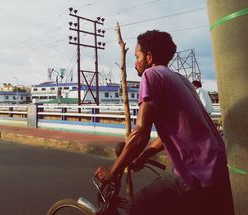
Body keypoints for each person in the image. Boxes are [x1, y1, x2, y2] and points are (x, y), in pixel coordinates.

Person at [95, 30, 234, 215]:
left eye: (137, 56)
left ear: (149, 57)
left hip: (196, 174)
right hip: (220, 169)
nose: (135, 63)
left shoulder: (151, 75)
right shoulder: (181, 80)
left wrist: (112, 172)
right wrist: (145, 155)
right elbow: (177, 129)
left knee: (138, 207)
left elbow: (141, 132)